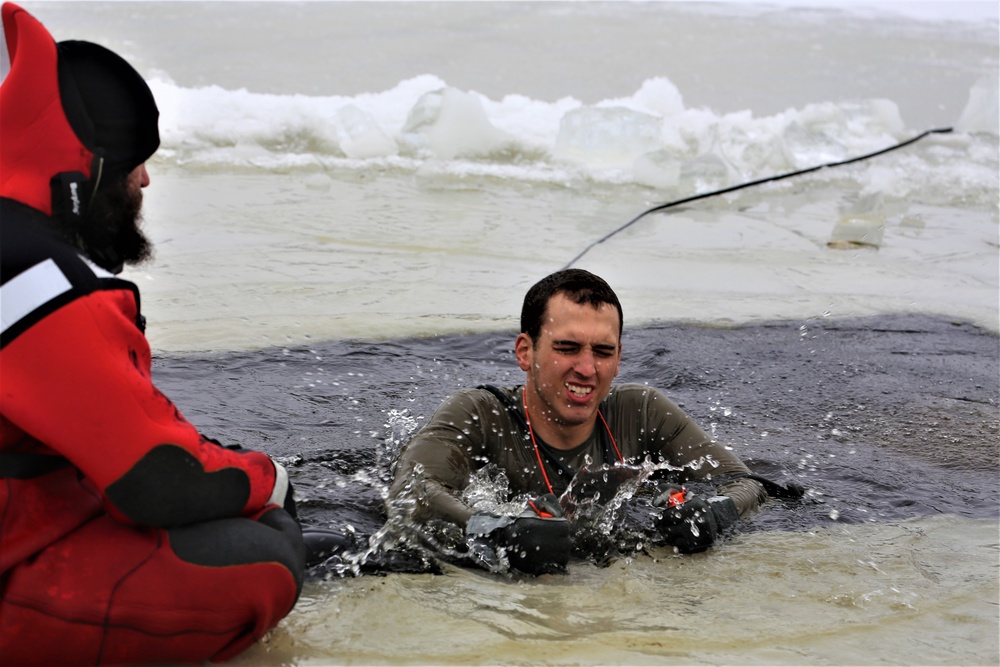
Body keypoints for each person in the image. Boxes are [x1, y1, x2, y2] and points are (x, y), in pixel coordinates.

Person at [0, 4, 305, 664]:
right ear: (89, 172)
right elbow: (156, 479)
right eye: (135, 161)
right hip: (13, 571)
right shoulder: (41, 282)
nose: (146, 179)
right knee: (267, 554)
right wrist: (270, 479)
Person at [388, 268, 779, 575]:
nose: (587, 369)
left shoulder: (641, 411)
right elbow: (413, 491)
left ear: (619, 356)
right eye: (567, 348)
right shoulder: (478, 413)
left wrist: (714, 512)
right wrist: (495, 529)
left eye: (603, 351)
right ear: (526, 352)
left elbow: (749, 484)